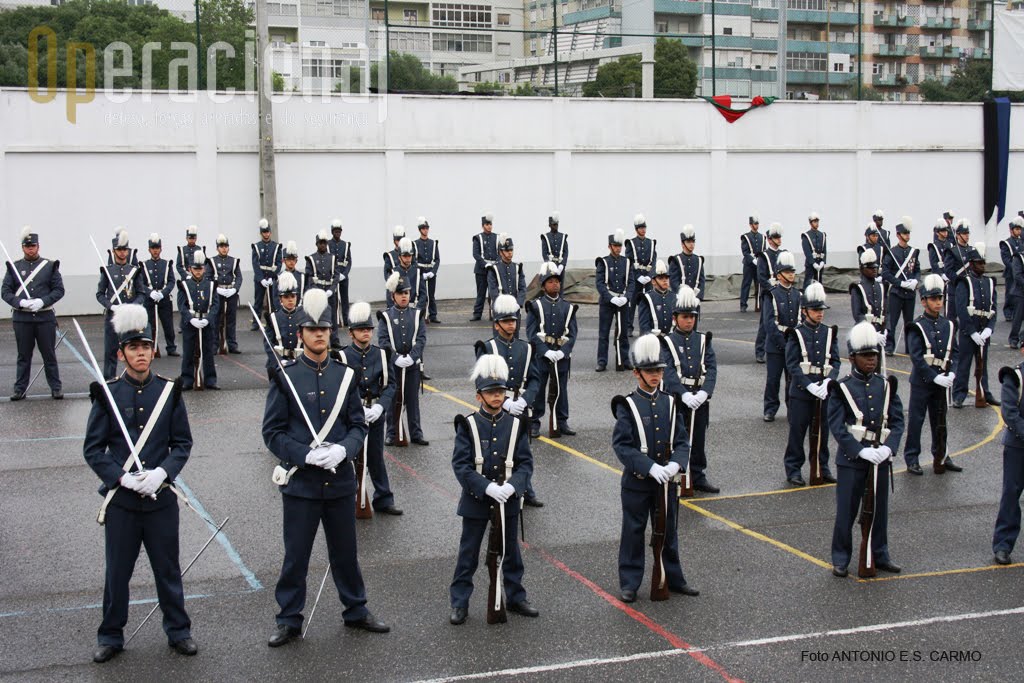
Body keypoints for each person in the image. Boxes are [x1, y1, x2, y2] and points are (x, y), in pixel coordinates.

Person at [262, 288, 389, 647]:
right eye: (311, 329)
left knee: (346, 554)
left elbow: (358, 426)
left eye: (324, 329)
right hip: (301, 484)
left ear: (331, 332)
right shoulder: (286, 376)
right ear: (300, 333)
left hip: (339, 482)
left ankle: (356, 610)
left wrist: (343, 452)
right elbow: (272, 433)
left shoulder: (345, 375)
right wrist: (304, 455)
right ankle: (288, 620)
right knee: (296, 557)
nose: (319, 335)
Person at [83, 303, 197, 663]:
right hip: (123, 502)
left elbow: (181, 444)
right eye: (133, 348)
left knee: (167, 570)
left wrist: (162, 473)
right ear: (122, 353)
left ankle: (178, 631)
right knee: (117, 573)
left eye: (146, 347)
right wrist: (121, 478)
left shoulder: (168, 391)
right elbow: (93, 449)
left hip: (160, 499)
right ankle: (111, 635)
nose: (141, 353)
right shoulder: (108, 393)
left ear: (153, 350)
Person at [449, 354, 537, 625]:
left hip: (507, 500)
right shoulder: (468, 424)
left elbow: (525, 464)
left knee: (511, 551)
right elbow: (461, 466)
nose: (497, 396)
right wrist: (486, 487)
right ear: (479, 396)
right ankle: (460, 602)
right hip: (477, 499)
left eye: (500, 391)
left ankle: (516, 596)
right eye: (491, 392)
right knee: (468, 553)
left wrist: (513, 487)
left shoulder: (516, 424)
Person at [613, 333, 698, 603]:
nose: (655, 376)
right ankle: (629, 582)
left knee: (668, 530)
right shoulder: (628, 405)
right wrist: (649, 467)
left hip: (667, 481)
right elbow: (622, 446)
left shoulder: (671, 402)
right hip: (638, 482)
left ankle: (673, 578)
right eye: (650, 371)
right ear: (636, 373)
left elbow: (682, 440)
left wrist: (676, 463)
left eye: (659, 370)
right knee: (634, 532)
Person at [827, 321, 905, 578]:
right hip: (853, 460)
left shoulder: (885, 385)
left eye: (874, 355)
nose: (871, 360)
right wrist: (858, 451)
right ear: (853, 358)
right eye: (865, 356)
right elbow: (837, 426)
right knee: (847, 512)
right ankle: (841, 557)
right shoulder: (842, 388)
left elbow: (897, 421)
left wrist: (889, 449)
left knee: (879, 510)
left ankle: (879, 554)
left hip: (879, 457)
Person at [478, 293, 543, 505]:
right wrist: (505, 402)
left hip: (520, 405)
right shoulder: (488, 348)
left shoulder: (526, 347)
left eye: (513, 321)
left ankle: (525, 489)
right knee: (497, 452)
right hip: (498, 406)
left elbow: (534, 379)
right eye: (506, 321)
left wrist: (524, 401)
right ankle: (494, 489)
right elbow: (481, 381)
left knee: (522, 450)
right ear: (497, 325)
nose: (511, 325)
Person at [340, 301, 402, 516]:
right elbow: (341, 389)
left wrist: (380, 408)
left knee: (376, 456)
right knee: (351, 457)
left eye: (368, 329)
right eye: (361, 329)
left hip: (375, 414)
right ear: (351, 333)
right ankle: (351, 497)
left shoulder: (382, 354)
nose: (366, 332)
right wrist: (357, 409)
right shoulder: (342, 357)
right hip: (352, 416)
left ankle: (383, 498)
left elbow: (390, 385)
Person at [660, 285, 718, 493]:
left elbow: (711, 368)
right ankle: (678, 475)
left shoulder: (703, 340)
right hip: (678, 398)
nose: (689, 320)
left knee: (699, 437)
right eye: (685, 317)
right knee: (678, 438)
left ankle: (698, 475)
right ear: (675, 318)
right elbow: (667, 371)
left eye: (692, 316)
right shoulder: (667, 341)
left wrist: (704, 392)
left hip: (699, 398)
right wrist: (682, 394)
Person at [783, 282, 840, 486]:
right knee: (797, 432)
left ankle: (822, 467)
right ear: (805, 311)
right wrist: (808, 385)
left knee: (823, 432)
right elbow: (792, 365)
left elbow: (836, 361)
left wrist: (828, 382)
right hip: (801, 392)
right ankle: (793, 469)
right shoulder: (796, 334)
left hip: (824, 392)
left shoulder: (829, 332)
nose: (820, 314)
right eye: (815, 310)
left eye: (821, 310)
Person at [903, 274, 960, 475]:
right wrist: (934, 376)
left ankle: (942, 455)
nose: (938, 302)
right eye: (933, 299)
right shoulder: (916, 326)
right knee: (916, 421)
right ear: (923, 301)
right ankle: (912, 457)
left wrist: (952, 373)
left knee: (940, 420)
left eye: (940, 298)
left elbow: (955, 352)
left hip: (942, 381)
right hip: (922, 381)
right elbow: (917, 358)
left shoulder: (949, 325)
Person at [2, 225, 64, 400]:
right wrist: (19, 302)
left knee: (49, 355)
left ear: (38, 246)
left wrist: (42, 301)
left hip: (44, 317)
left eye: (33, 246)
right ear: (23, 247)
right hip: (22, 319)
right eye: (27, 246)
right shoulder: (14, 267)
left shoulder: (49, 266)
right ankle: (20, 389)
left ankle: (56, 387)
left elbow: (59, 290)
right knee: (23, 356)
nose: (30, 249)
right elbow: (5, 291)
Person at [526, 264, 579, 441]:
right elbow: (531, 333)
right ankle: (534, 422)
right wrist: (544, 351)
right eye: (551, 282)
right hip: (542, 356)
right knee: (539, 389)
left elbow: (572, 333)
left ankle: (561, 421)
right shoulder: (535, 306)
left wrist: (564, 351)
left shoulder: (567, 307)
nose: (555, 284)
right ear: (543, 285)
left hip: (561, 357)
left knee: (561, 390)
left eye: (557, 281)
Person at [378, 273, 428, 447]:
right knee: (393, 401)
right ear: (393, 296)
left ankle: (416, 433)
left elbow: (421, 339)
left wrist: (412, 357)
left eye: (406, 292)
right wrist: (396, 358)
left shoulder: (416, 314)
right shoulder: (385, 316)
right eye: (400, 293)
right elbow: (383, 341)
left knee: (413, 400)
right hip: (394, 366)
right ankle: (391, 433)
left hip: (412, 366)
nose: (404, 296)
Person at [952, 243, 999, 408]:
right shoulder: (964, 282)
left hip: (983, 330)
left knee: (982, 364)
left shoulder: (990, 282)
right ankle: (959, 394)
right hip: (968, 331)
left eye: (983, 262)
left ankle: (985, 392)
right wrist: (972, 332)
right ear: (971, 264)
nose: (983, 266)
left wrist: (989, 328)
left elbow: (993, 308)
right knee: (964, 364)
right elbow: (961, 310)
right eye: (979, 263)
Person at [97, 230, 145, 380]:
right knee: (110, 352)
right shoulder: (107, 271)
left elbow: (141, 294)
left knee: (131, 351)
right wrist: (111, 306)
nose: (122, 253)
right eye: (119, 250)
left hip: (130, 318)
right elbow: (99, 294)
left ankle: (133, 380)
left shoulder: (135, 271)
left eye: (125, 249)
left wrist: (133, 306)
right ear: (113, 251)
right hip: (113, 317)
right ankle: (109, 382)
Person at [994, 343, 1024, 565]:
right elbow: (1010, 413)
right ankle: (1003, 544)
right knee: (1011, 495)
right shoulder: (1014, 377)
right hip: (1018, 445)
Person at [762, 251, 801, 422]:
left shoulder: (797, 294)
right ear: (779, 274)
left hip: (792, 343)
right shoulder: (771, 294)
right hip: (776, 345)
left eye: (792, 271)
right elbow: (769, 323)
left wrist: (794, 343)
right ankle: (770, 408)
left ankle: (792, 408)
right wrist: (782, 343)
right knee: (773, 379)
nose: (791, 274)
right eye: (787, 271)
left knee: (792, 379)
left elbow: (801, 320)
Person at [177, 251, 219, 390]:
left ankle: (210, 380)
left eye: (200, 268)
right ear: (190, 269)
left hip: (206, 322)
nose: (198, 271)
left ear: (204, 269)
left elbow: (215, 304)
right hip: (190, 323)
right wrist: (190, 319)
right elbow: (181, 306)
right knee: (188, 352)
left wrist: (209, 319)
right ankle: (187, 380)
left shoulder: (211, 285)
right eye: (195, 269)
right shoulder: (184, 284)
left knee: (208, 351)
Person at [595, 229, 633, 372]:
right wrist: (610, 298)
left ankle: (625, 359)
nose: (618, 249)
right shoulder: (603, 262)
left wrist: (626, 297)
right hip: (607, 302)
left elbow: (631, 282)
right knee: (603, 332)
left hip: (622, 301)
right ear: (609, 246)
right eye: (615, 246)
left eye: (619, 246)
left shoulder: (627, 262)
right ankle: (602, 361)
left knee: (623, 333)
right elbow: (600, 284)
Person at [882, 218, 920, 356]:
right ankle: (889, 347)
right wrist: (900, 283)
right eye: (904, 233)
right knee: (892, 321)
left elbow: (916, 269)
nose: (907, 236)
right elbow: (885, 273)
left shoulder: (913, 252)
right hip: (897, 292)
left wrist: (916, 280)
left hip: (910, 293)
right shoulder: (892, 252)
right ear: (898, 235)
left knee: (909, 322)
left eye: (908, 233)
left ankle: (910, 347)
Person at [141, 233, 178, 358]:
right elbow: (140, 283)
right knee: (150, 325)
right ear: (149, 250)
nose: (155, 250)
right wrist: (150, 292)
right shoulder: (144, 265)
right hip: (150, 300)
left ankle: (171, 348)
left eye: (157, 248)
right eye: (153, 248)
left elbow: (172, 281)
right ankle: (153, 348)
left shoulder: (167, 264)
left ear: (161, 249)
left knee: (168, 325)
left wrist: (163, 293)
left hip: (164, 300)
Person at [262, 271, 303, 381]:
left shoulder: (304, 317)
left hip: (299, 363)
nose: (290, 299)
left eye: (293, 296)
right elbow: (268, 344)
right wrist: (279, 361)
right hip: (277, 363)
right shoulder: (273, 317)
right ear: (280, 299)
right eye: (286, 297)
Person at [755, 222, 785, 364]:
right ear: (769, 239)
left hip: (781, 293)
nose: (778, 240)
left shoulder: (783, 255)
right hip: (768, 294)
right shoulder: (763, 256)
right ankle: (760, 351)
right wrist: (771, 286)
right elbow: (761, 276)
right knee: (765, 323)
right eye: (775, 237)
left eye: (779, 237)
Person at [305, 230, 340, 350]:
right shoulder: (311, 259)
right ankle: (319, 341)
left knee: (333, 317)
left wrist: (331, 289)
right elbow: (308, 277)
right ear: (316, 244)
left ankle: (334, 340)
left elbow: (336, 276)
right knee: (319, 317)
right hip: (317, 292)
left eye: (324, 243)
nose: (323, 245)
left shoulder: (333, 258)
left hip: (330, 293)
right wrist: (317, 291)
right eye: (320, 243)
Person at [209, 234, 242, 354]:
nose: (224, 248)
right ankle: (214, 345)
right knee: (216, 320)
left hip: (231, 294)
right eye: (221, 246)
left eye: (226, 246)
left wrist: (235, 289)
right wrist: (216, 289)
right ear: (217, 248)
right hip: (218, 294)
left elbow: (239, 277)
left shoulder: (234, 261)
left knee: (231, 320)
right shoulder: (212, 261)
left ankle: (232, 344)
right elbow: (208, 277)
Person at [625, 214, 657, 337]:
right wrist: (637, 276)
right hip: (635, 278)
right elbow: (629, 261)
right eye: (640, 227)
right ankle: (629, 327)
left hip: (647, 278)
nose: (643, 229)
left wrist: (650, 275)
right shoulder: (631, 243)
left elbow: (653, 261)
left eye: (644, 227)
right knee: (631, 304)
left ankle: (647, 327)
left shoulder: (651, 243)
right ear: (636, 229)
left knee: (648, 303)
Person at [850, 250, 887, 354]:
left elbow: (885, 311)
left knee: (877, 365)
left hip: (880, 331)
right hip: (863, 332)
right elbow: (857, 315)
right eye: (870, 268)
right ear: (863, 269)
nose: (874, 270)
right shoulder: (857, 288)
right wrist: (872, 332)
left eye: (875, 267)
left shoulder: (881, 286)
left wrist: (886, 329)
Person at [486, 233, 526, 324]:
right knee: (500, 337)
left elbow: (522, 288)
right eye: (507, 250)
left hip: (515, 309)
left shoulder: (517, 267)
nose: (510, 253)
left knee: (515, 337)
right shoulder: (493, 269)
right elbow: (493, 291)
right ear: (501, 252)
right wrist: (503, 306)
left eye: (511, 250)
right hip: (501, 311)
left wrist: (518, 303)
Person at [251, 218, 282, 331]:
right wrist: (261, 279)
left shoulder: (276, 246)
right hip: (260, 279)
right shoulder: (256, 246)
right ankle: (256, 323)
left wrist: (273, 276)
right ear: (261, 233)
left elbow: (279, 264)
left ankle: (274, 322)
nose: (266, 234)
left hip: (272, 278)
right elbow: (255, 264)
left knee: (274, 302)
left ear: (270, 232)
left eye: (267, 232)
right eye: (264, 232)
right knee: (258, 301)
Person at [943, 219, 974, 320]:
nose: (967, 236)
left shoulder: (972, 250)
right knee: (951, 319)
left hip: (969, 290)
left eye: (967, 233)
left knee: (968, 319)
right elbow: (948, 270)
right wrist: (960, 281)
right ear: (958, 235)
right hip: (955, 289)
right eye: (964, 233)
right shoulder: (952, 251)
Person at [471, 214, 498, 321]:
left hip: (494, 269)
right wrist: (485, 264)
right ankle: (477, 314)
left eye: (490, 224)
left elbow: (500, 253)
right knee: (481, 293)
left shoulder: (496, 237)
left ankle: (494, 313)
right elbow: (475, 254)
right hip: (481, 270)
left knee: (494, 293)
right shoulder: (477, 238)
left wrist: (497, 264)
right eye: (487, 224)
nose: (489, 226)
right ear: (483, 225)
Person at [668, 224, 705, 302]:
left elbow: (702, 281)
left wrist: (698, 297)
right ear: (682, 244)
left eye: (693, 241)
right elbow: (673, 281)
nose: (691, 244)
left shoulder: (699, 260)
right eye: (688, 242)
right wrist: (682, 294)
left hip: (695, 299)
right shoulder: (675, 260)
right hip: (680, 299)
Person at [415, 217, 441, 323]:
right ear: (420, 230)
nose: (425, 230)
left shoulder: (433, 243)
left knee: (431, 295)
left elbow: (437, 259)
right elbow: (414, 260)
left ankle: (433, 315)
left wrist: (433, 272)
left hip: (430, 272)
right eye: (423, 228)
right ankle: (421, 315)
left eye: (427, 228)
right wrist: (421, 272)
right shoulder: (415, 244)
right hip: (421, 273)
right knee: (422, 295)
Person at [638, 260, 675, 336]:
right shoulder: (646, 298)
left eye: (666, 277)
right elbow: (644, 326)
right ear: (653, 281)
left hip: (671, 339)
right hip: (653, 340)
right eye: (661, 278)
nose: (665, 280)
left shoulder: (675, 297)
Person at [327, 218, 352, 328]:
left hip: (343, 276)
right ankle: (335, 320)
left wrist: (345, 274)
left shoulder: (345, 245)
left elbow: (349, 262)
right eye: (335, 231)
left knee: (345, 298)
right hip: (333, 276)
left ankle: (346, 320)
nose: (337, 233)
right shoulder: (328, 244)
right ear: (332, 232)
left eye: (339, 231)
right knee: (334, 299)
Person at [1000, 216, 1023, 322]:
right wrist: (1015, 268)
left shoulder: (1021, 242)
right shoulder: (1007, 243)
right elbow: (1006, 259)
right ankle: (1008, 312)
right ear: (1011, 230)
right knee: (1010, 293)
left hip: (1019, 272)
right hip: (1010, 272)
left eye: (1020, 229)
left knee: (1019, 293)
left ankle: (1018, 312)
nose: (1019, 231)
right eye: (1017, 229)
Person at [739, 213, 763, 313]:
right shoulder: (746, 237)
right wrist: (752, 260)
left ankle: (758, 304)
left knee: (759, 284)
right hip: (749, 264)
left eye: (757, 224)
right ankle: (743, 305)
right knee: (746, 284)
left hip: (758, 264)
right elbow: (745, 252)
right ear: (750, 225)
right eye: (754, 224)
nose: (756, 226)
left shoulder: (762, 237)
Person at [540, 212, 568, 287]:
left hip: (560, 265)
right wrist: (549, 265)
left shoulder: (562, 236)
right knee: (551, 286)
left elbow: (566, 252)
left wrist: (562, 265)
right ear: (549, 225)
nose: (555, 226)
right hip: (550, 265)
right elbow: (544, 253)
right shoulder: (545, 237)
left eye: (556, 224)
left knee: (560, 286)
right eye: (553, 224)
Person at [274, 241, 306, 309]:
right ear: (283, 261)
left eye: (293, 259)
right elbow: (276, 297)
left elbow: (304, 295)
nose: (291, 262)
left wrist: (299, 309)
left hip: (299, 311)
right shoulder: (278, 277)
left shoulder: (302, 277)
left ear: (296, 261)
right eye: (288, 259)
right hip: (283, 311)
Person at [801, 211, 827, 289]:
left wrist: (823, 261)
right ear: (810, 223)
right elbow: (807, 252)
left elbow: (824, 250)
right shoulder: (806, 236)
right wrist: (813, 263)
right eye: (815, 221)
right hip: (811, 265)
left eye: (817, 221)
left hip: (820, 263)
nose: (817, 223)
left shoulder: (822, 235)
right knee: (808, 284)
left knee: (819, 283)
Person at [383, 225, 408, 289]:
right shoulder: (389, 256)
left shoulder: (409, 255)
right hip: (396, 288)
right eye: (397, 239)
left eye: (401, 239)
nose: (399, 241)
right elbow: (387, 277)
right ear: (394, 240)